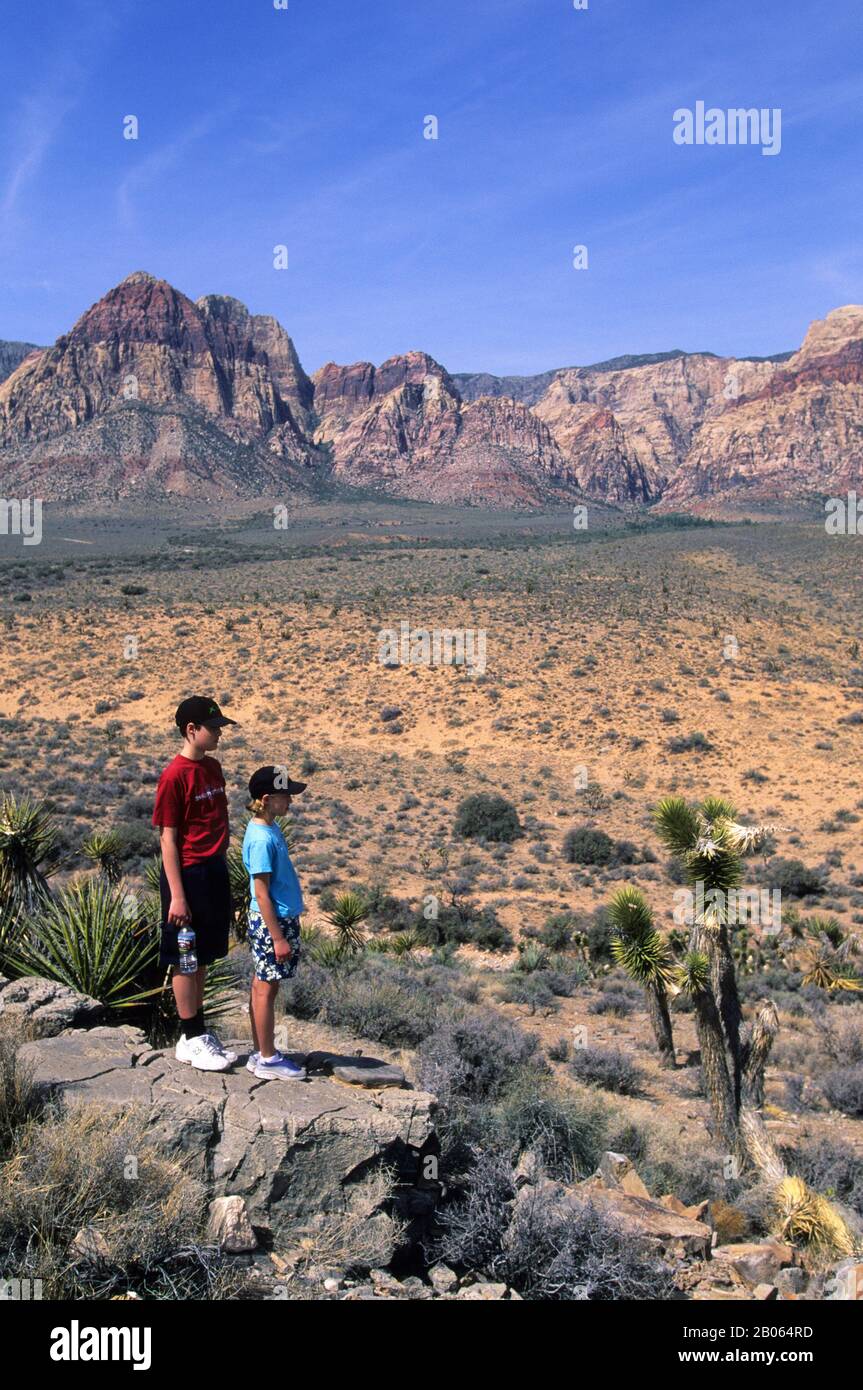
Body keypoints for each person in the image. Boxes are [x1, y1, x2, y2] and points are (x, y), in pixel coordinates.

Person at [152, 696, 237, 1071]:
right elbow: (168, 839)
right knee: (185, 959)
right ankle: (192, 1034)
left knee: (202, 957)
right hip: (186, 875)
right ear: (191, 730)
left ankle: (193, 1037)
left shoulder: (213, 768)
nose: (219, 733)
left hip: (214, 870)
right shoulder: (174, 776)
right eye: (213, 727)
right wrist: (176, 896)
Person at [242, 765, 308, 1080]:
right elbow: (261, 892)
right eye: (286, 797)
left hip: (276, 920)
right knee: (267, 988)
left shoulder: (270, 828)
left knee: (262, 984)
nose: (291, 802)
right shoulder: (260, 839)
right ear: (267, 799)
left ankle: (261, 1052)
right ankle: (268, 1058)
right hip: (273, 922)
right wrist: (278, 937)